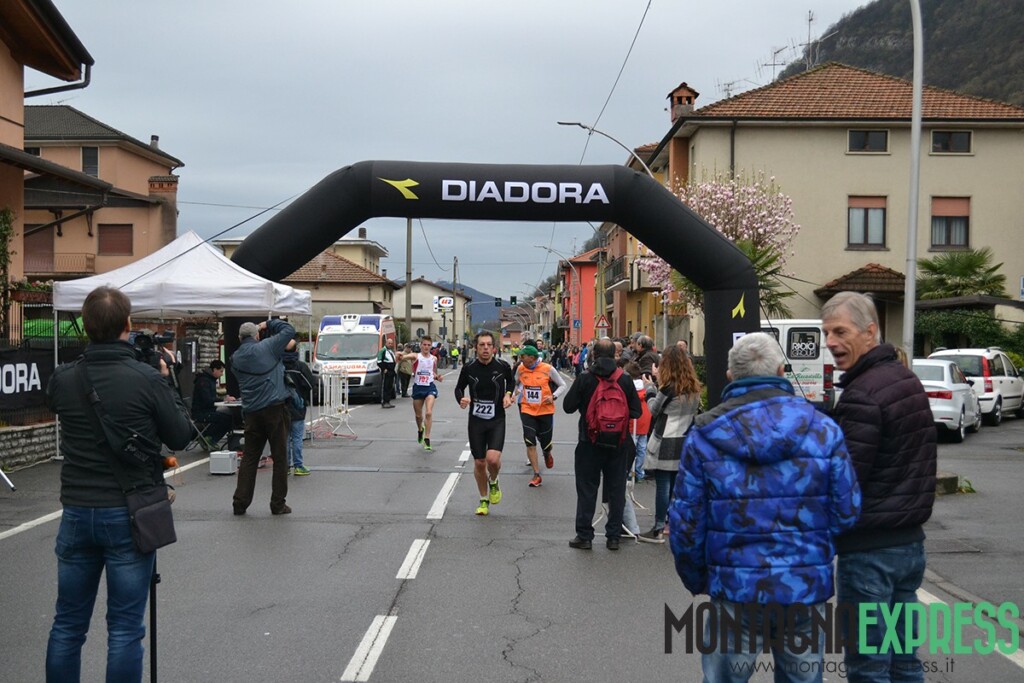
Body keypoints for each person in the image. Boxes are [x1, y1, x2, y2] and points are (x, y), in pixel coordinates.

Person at [670, 332, 861, 683]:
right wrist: (814, 554)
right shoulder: (824, 430)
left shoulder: (705, 435)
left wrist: (700, 578)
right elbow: (847, 511)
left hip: (735, 588)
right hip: (803, 587)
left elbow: (686, 523)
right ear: (781, 371)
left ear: (730, 376)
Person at [45, 286, 193, 682]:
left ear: (86, 327)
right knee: (125, 628)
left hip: (77, 510)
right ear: (128, 324)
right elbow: (180, 435)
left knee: (67, 624)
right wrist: (167, 381)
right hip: (130, 512)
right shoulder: (146, 378)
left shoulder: (65, 378)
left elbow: (54, 401)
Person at [822, 292, 937, 683]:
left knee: (868, 668)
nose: (831, 342)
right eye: (827, 333)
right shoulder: (907, 381)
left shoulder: (862, 394)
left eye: (840, 332)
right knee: (905, 662)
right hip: (909, 547)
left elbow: (846, 481)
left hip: (869, 553)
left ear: (870, 332)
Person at [562, 338, 642, 551]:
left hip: (589, 442)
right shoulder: (624, 379)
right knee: (616, 489)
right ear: (616, 355)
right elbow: (636, 411)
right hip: (619, 443)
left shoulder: (585, 378)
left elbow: (568, 407)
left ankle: (584, 536)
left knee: (587, 488)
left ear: (594, 355)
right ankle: (613, 536)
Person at [231, 318, 296, 516]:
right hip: (274, 408)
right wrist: (267, 324)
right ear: (257, 335)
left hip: (252, 412)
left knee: (250, 457)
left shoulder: (235, 358)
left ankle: (240, 503)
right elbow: (289, 330)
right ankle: (277, 504)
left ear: (239, 338)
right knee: (280, 457)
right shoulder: (268, 347)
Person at [638, 345, 701, 544]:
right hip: (684, 440)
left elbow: (654, 409)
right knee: (676, 487)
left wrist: (650, 388)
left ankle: (657, 528)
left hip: (665, 440)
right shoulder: (693, 388)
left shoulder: (668, 388)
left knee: (663, 485)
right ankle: (671, 524)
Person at [454, 332, 515, 515]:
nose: (486, 348)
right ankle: (483, 499)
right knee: (480, 462)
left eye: (489, 345)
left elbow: (511, 382)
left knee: (493, 459)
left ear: (494, 348)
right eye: (482, 345)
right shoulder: (469, 368)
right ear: (476, 347)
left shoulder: (502, 366)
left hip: (497, 419)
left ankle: (493, 481)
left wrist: (508, 395)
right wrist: (461, 399)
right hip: (476, 421)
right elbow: (458, 388)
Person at [512, 344, 567, 488]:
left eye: (523, 356)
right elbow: (515, 383)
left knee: (545, 442)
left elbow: (563, 385)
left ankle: (547, 453)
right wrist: (513, 393)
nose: (520, 358)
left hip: (545, 410)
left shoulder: (548, 369)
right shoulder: (520, 368)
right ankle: (536, 475)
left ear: (532, 358)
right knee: (529, 441)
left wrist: (553, 396)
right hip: (527, 409)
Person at [406, 335, 443, 451]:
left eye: (428, 345)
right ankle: (420, 429)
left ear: (431, 346)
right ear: (421, 345)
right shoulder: (416, 356)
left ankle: (427, 438)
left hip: (429, 387)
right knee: (418, 416)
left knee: (428, 412)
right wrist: (401, 356)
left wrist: (437, 377)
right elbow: (407, 356)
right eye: (424, 345)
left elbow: (433, 372)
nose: (426, 347)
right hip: (418, 387)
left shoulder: (434, 359)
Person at [283, 338, 314, 476]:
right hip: (298, 406)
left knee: (284, 438)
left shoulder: (278, 366)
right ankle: (298, 465)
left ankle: (285, 466)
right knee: (297, 437)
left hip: (281, 406)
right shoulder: (300, 367)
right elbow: (310, 383)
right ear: (296, 349)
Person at [191, 360, 233, 449]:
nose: (222, 374)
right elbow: (208, 400)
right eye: (221, 371)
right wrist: (223, 400)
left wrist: (223, 399)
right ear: (214, 370)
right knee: (226, 419)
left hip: (207, 410)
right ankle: (210, 438)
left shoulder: (209, 379)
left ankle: (208, 437)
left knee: (228, 417)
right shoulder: (204, 381)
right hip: (201, 412)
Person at [622, 360, 652, 482]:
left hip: (633, 422)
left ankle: (629, 471)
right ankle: (639, 472)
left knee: (631, 449)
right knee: (642, 449)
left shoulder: (627, 387)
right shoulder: (646, 387)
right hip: (645, 421)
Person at [377, 336, 398, 409]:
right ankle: (384, 402)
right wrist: (384, 369)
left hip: (392, 371)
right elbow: (379, 361)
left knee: (390, 387)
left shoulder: (390, 351)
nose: (390, 344)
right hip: (387, 371)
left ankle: (388, 401)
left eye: (391, 343)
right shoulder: (382, 350)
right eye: (389, 343)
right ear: (386, 343)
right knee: (385, 386)